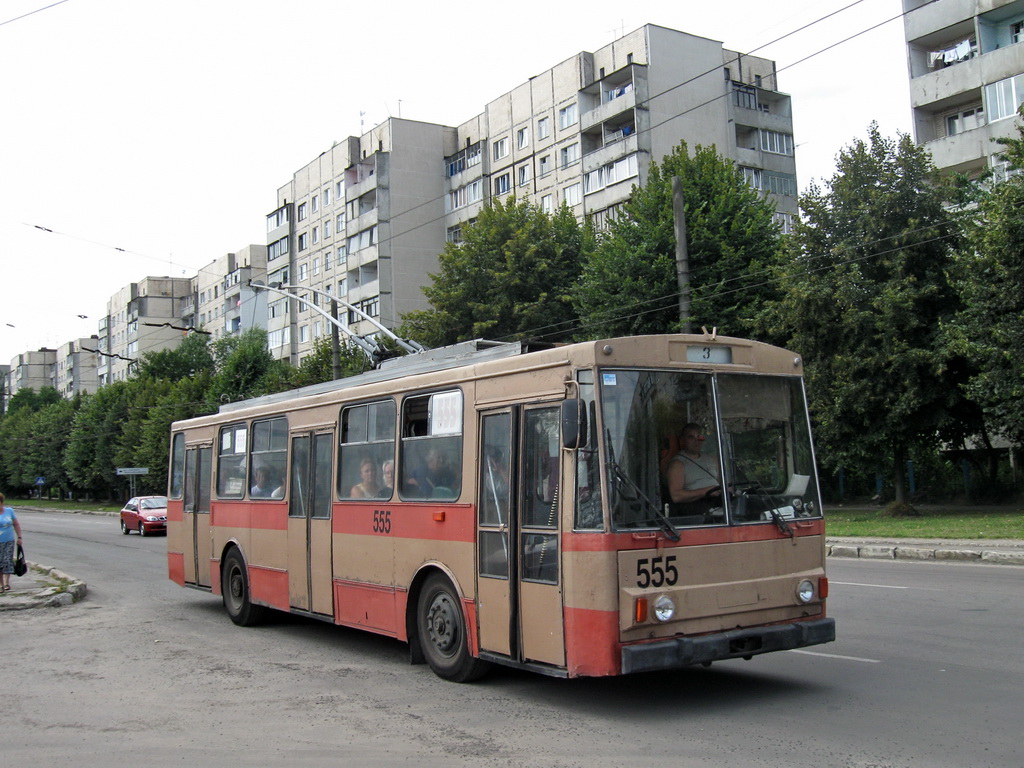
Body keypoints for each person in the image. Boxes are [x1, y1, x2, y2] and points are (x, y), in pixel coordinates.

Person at [664, 423, 722, 513]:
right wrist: (706, 491)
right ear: (683, 440)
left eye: (699, 437)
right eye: (691, 437)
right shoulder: (678, 464)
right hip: (696, 507)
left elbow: (721, 483)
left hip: (719, 502)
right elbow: (676, 496)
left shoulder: (712, 459)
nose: (696, 441)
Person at [0, 492, 24, 593]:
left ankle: (6, 583)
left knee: (7, 561)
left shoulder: (9, 511)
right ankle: (0, 585)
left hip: (9, 541)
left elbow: (16, 524)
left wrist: (19, 537)